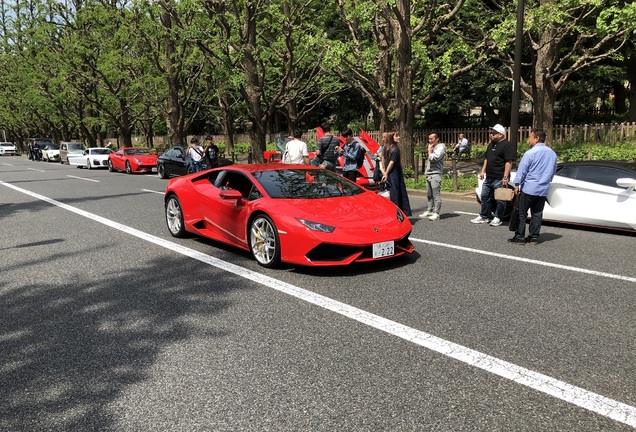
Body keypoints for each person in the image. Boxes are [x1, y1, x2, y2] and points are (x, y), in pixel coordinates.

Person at [508, 128, 557, 245]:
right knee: (537, 213)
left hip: (529, 187)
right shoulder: (552, 153)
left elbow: (522, 170)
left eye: (530, 137)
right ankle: (534, 237)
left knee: (522, 213)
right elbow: (553, 170)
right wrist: (547, 181)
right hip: (543, 188)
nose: (528, 140)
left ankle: (520, 236)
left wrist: (516, 184)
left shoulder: (530, 153)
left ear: (536, 138)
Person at [471, 123, 516, 226]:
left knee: (501, 199)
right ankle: (484, 216)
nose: (491, 135)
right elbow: (487, 158)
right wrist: (483, 171)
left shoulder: (507, 145)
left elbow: (508, 162)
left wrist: (505, 176)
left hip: (500, 177)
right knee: (485, 196)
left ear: (501, 134)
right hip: (489, 176)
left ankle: (498, 217)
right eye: (491, 133)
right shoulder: (491, 144)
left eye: (494, 133)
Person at [381, 132, 412, 216]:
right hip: (393, 173)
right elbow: (387, 161)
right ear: (391, 137)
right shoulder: (390, 148)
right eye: (396, 136)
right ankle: (395, 212)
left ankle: (399, 213)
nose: (399, 137)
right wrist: (385, 172)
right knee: (394, 193)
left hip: (393, 173)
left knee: (396, 193)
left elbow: (391, 162)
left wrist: (385, 173)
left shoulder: (393, 149)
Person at [419, 132, 446, 221]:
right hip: (429, 173)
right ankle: (429, 210)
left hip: (435, 174)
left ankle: (436, 213)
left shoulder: (441, 147)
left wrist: (429, 151)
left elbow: (435, 158)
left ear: (437, 139)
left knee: (436, 195)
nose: (430, 141)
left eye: (431, 139)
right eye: (429, 139)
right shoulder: (433, 147)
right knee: (429, 194)